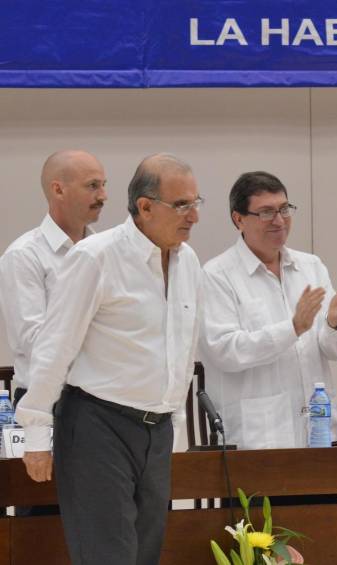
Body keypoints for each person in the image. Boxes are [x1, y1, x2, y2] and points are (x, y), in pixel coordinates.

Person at [15, 153, 203, 565]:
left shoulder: (188, 261)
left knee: (145, 555)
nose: (194, 216)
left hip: (157, 431)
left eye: (196, 203)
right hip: (98, 426)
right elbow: (54, 346)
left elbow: (183, 349)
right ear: (145, 206)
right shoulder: (96, 257)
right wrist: (35, 433)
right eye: (182, 205)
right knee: (108, 556)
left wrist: (178, 428)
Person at [198, 171, 337, 452]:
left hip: (320, 434)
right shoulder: (217, 275)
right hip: (259, 441)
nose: (280, 220)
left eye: (284, 209)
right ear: (239, 219)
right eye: (266, 212)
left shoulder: (311, 266)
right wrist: (293, 328)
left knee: (325, 498)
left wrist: (334, 324)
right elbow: (224, 350)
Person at [0, 150, 107, 407]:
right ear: (58, 190)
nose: (103, 196)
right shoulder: (24, 255)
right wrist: (109, 344)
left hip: (106, 403)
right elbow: (36, 343)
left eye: (103, 185)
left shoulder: (107, 250)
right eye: (93, 186)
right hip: (50, 402)